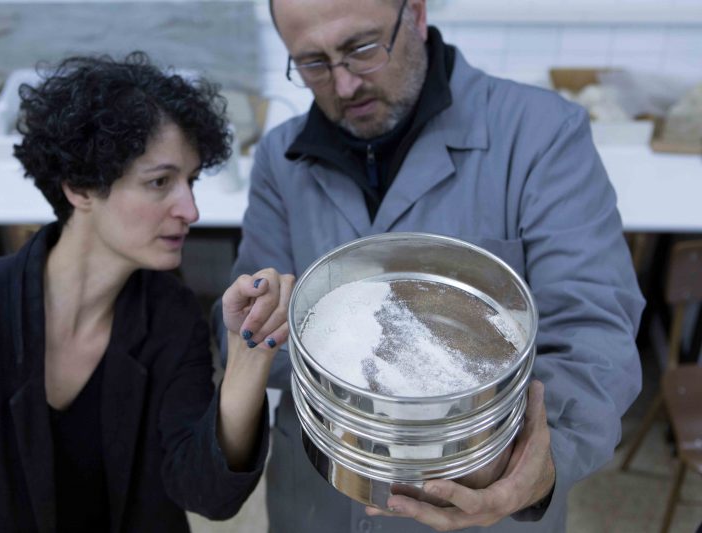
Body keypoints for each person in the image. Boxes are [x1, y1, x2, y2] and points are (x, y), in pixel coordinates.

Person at [217, 0, 645, 531]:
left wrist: (543, 459)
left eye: (362, 49)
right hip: (318, 506)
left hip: (483, 502)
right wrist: (259, 328)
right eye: (313, 64)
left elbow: (593, 327)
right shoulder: (281, 160)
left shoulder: (540, 134)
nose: (344, 85)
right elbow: (256, 344)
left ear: (415, 15)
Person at [0, 52, 294, 532]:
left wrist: (249, 352)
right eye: (160, 182)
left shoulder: (171, 317)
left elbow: (206, 493)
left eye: (190, 181)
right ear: (80, 188)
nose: (190, 209)